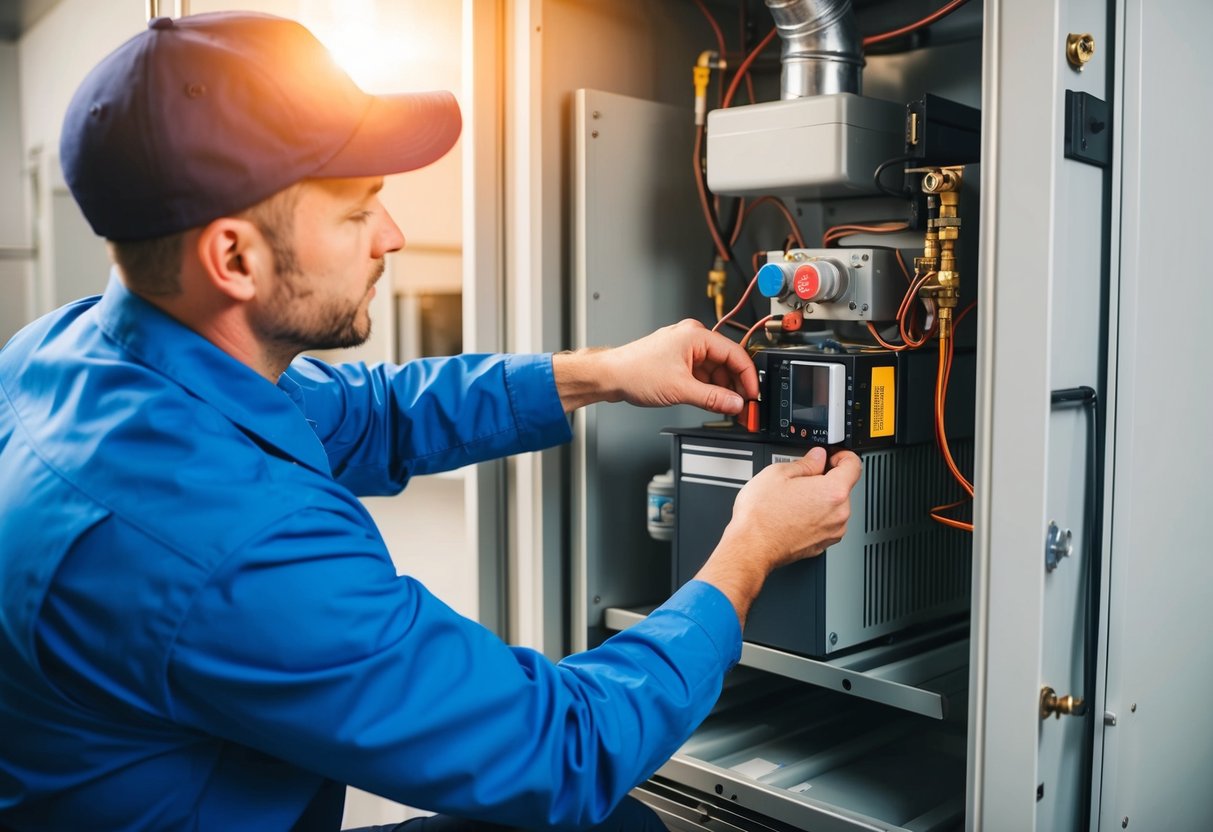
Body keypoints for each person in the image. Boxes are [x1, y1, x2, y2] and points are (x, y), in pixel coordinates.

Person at [0, 12, 862, 832]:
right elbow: (557, 751)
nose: (394, 235)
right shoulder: (230, 544)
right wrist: (747, 552)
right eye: (356, 210)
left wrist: (600, 373)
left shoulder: (72, 352)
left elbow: (376, 412)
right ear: (233, 257)